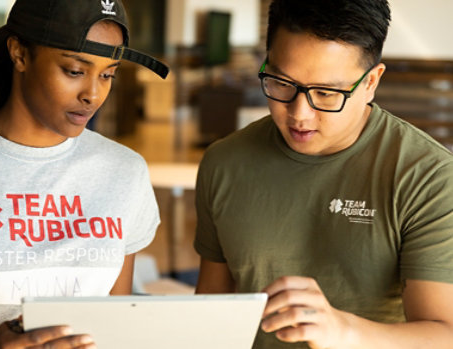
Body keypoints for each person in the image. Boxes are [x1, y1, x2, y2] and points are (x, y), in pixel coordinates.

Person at [194, 0, 453, 348]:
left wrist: (342, 331)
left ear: (371, 82)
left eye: (327, 93)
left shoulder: (427, 176)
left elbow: (443, 334)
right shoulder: (224, 162)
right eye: (282, 83)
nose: (299, 114)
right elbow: (210, 313)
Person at [0, 0, 168, 347]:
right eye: (75, 71)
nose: (92, 94)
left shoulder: (124, 172)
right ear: (19, 54)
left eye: (108, 74)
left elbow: (112, 330)